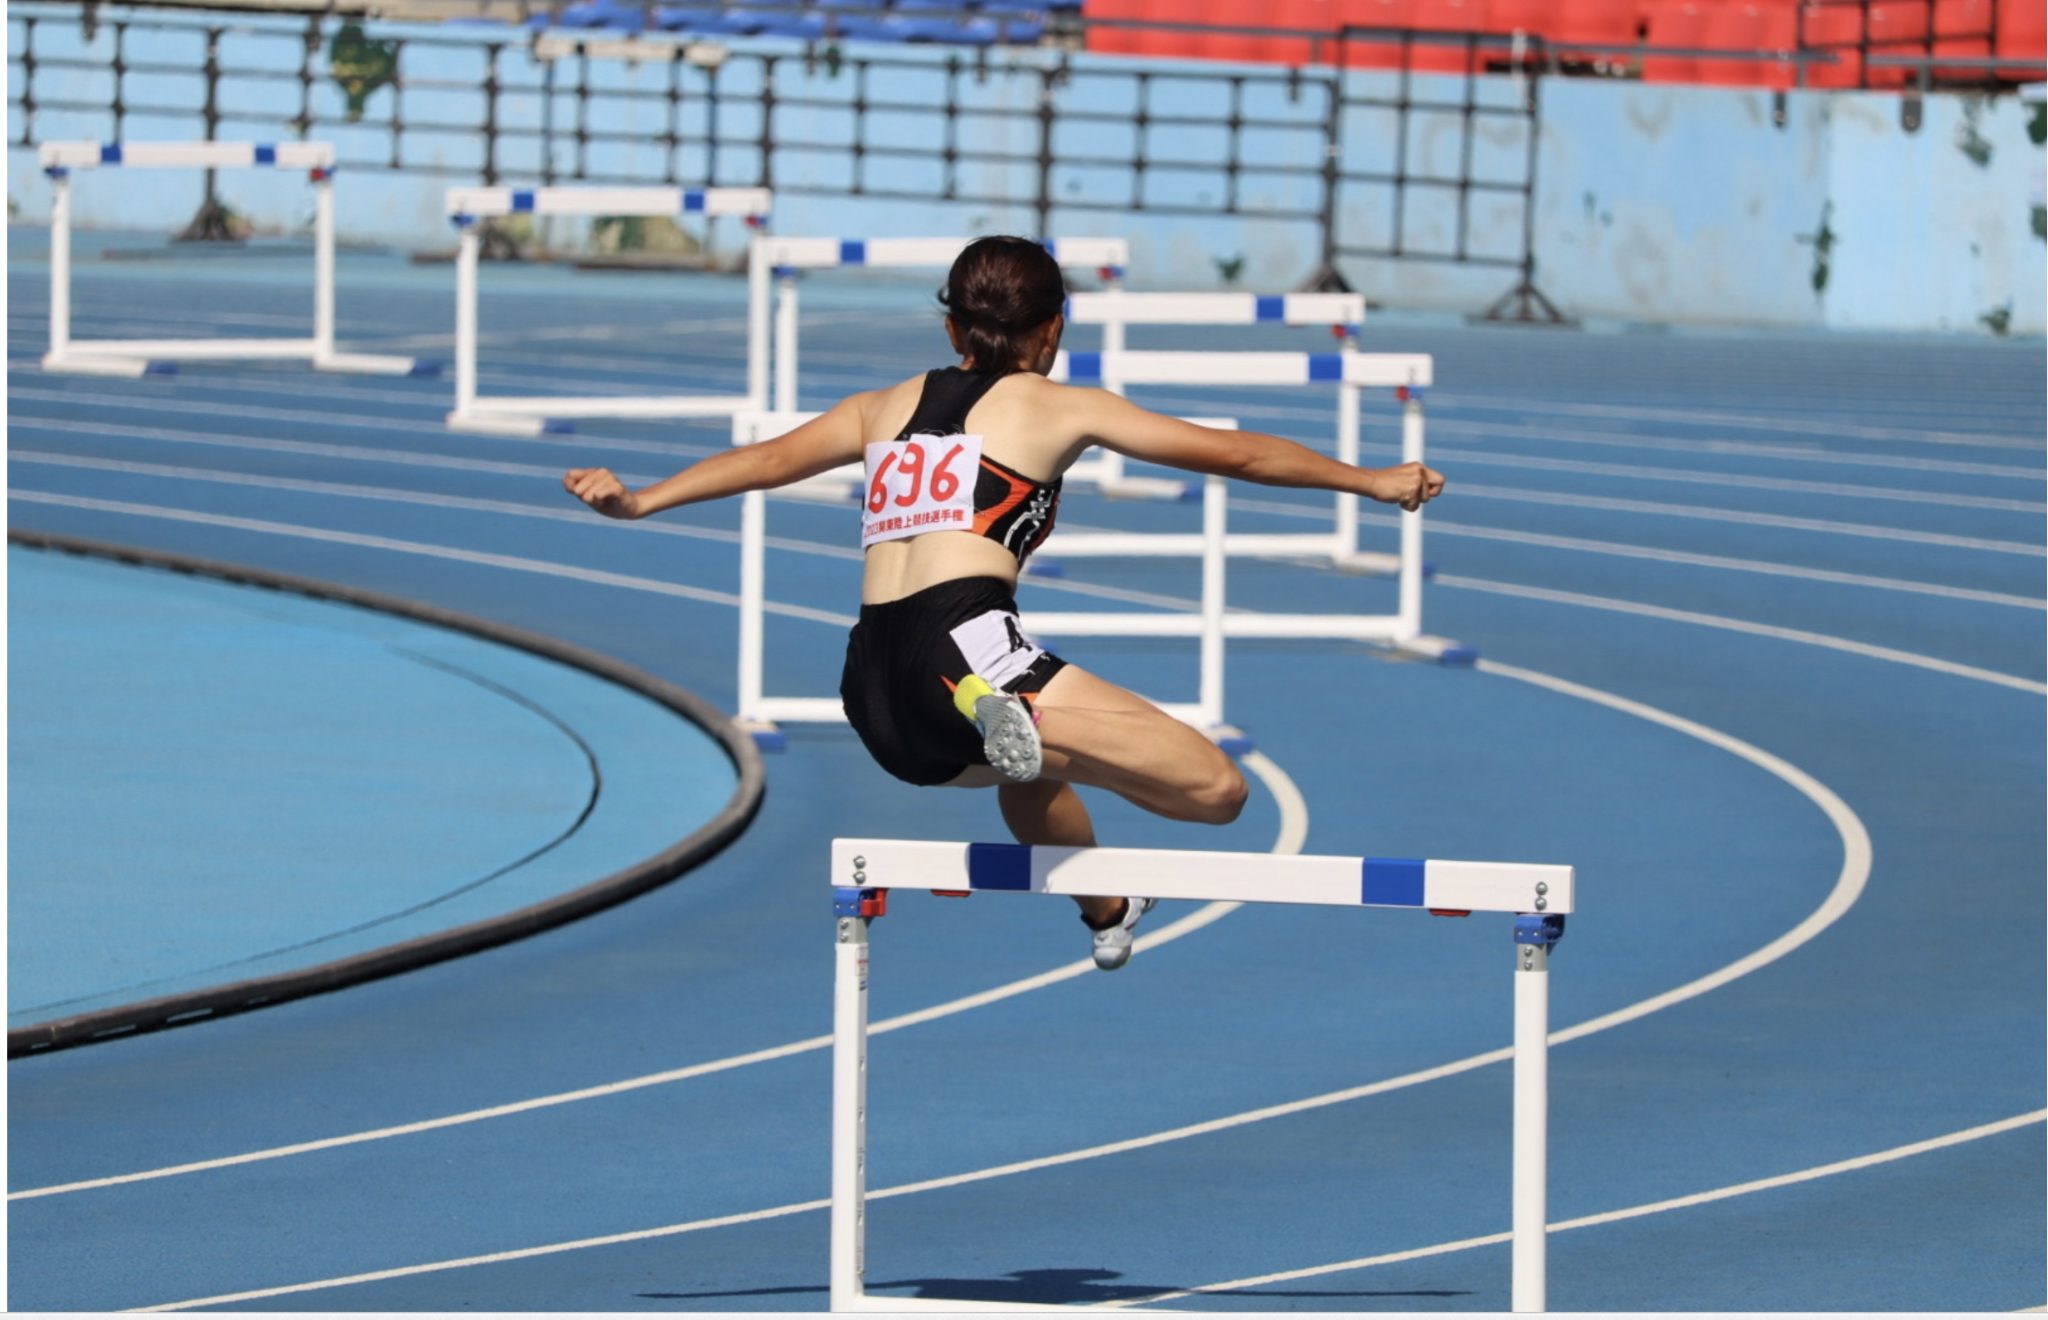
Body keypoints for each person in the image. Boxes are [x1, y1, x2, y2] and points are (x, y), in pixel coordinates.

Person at [564, 236, 1444, 971]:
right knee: (1217, 792)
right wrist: (1368, 479)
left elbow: (762, 462)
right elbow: (1235, 455)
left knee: (1029, 775)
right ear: (1054, 327)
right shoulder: (1058, 405)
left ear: (951, 325)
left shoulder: (882, 406)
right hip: (967, 653)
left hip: (874, 694)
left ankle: (1104, 908)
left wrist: (639, 499)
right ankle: (1008, 714)